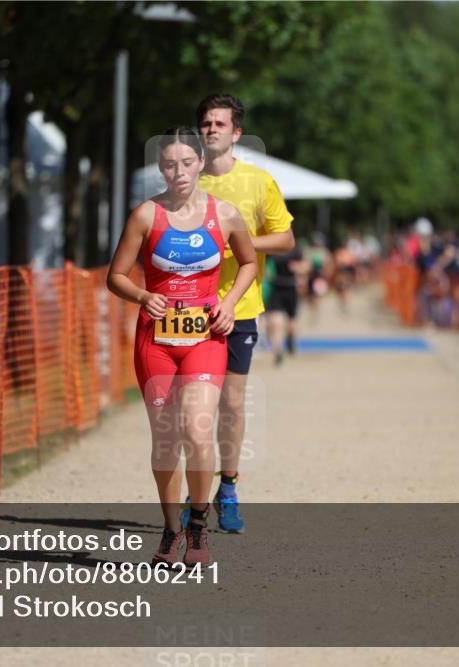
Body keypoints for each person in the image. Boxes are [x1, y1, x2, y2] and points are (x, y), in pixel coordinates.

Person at [107, 127, 256, 566]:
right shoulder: (145, 216)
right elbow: (115, 276)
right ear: (161, 168)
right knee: (167, 438)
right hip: (156, 341)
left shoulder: (224, 214)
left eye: (187, 163)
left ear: (200, 164)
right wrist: (141, 296)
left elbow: (248, 261)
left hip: (205, 339)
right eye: (170, 164)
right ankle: (171, 531)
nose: (179, 171)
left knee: (196, 428)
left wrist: (229, 303)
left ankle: (197, 524)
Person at [187, 93, 295, 534]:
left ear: (236, 133)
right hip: (188, 310)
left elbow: (285, 240)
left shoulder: (258, 181)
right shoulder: (186, 182)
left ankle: (227, 487)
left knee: (230, 403)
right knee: (193, 411)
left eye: (219, 124)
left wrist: (239, 241)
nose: (211, 129)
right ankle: (194, 497)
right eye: (206, 123)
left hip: (240, 309)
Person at [266, 242, 306, 365]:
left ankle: (290, 339)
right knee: (274, 322)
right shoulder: (272, 247)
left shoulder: (295, 248)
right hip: (276, 287)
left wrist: (298, 268)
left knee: (290, 325)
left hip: (291, 288)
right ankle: (278, 350)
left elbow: (306, 265)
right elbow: (262, 262)